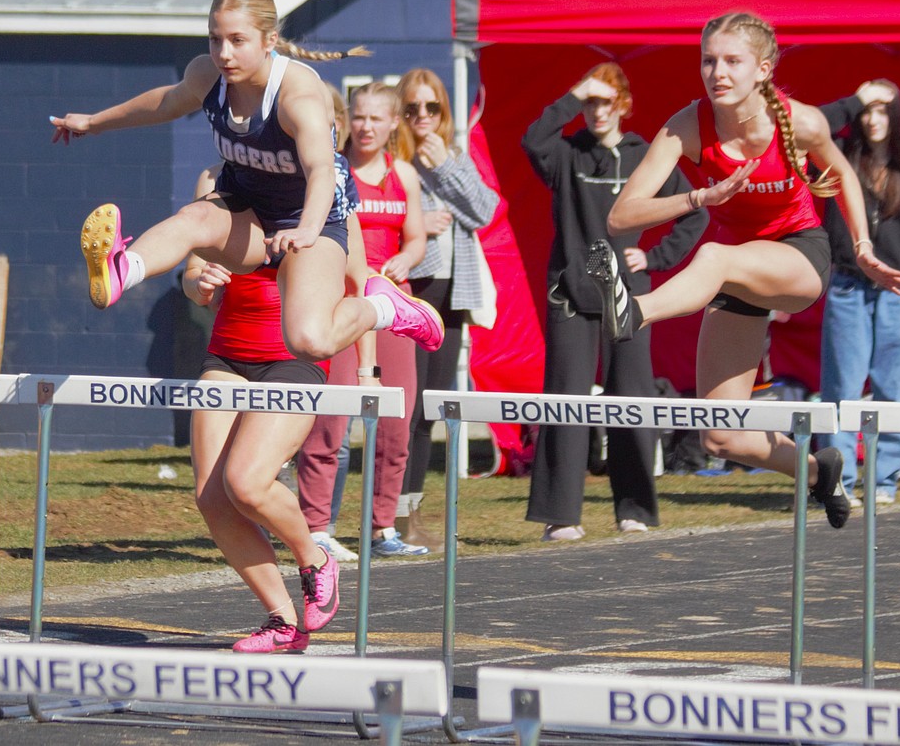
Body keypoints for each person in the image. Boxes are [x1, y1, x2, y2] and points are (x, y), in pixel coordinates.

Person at [588, 12, 900, 530]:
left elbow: (844, 174)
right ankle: (817, 472)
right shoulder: (688, 125)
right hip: (737, 270)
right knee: (722, 435)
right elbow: (622, 215)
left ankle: (634, 314)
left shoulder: (800, 121)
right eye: (708, 60)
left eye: (731, 62)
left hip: (799, 258)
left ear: (762, 69)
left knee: (715, 257)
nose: (717, 72)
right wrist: (698, 196)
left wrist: (865, 247)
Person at [50, 0, 444, 363]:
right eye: (214, 39)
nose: (224, 54)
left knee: (310, 341)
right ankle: (123, 269)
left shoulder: (298, 96)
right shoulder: (207, 76)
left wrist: (306, 229)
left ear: (269, 40)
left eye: (237, 41)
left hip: (312, 223)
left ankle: (383, 307)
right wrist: (94, 121)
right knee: (196, 216)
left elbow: (322, 168)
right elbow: (166, 102)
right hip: (249, 219)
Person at [182, 162, 377, 653]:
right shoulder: (215, 184)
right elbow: (189, 276)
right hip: (227, 352)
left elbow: (359, 281)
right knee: (212, 497)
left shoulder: (326, 194)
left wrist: (366, 369)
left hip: (292, 359)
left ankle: (313, 557)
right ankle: (282, 621)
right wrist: (199, 282)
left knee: (246, 483)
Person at [521, 63, 708, 542]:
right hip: (570, 294)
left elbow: (694, 211)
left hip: (629, 296)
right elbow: (533, 138)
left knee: (631, 398)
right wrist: (574, 92)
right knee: (566, 397)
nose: (597, 111)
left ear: (623, 104)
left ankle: (636, 508)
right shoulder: (567, 154)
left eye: (606, 101)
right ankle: (561, 514)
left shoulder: (644, 155)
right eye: (590, 102)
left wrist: (656, 256)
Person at [296, 82, 431, 558]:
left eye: (377, 118)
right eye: (359, 117)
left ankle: (382, 529)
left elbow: (415, 238)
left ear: (395, 123)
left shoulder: (405, 176)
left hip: (391, 305)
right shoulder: (329, 169)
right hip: (338, 301)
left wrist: (406, 260)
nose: (366, 127)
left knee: (396, 420)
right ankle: (315, 527)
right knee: (328, 420)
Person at [393, 68, 499, 550]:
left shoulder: (451, 156)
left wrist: (446, 169)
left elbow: (483, 211)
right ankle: (390, 516)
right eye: (412, 108)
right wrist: (421, 222)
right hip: (414, 287)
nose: (422, 117)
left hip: (454, 293)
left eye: (430, 108)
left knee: (430, 409)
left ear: (443, 112)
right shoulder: (394, 159)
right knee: (406, 408)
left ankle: (410, 513)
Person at [814, 81, 900, 505]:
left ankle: (883, 481)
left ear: (895, 116)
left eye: (882, 110)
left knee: (892, 388)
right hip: (847, 283)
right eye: (866, 110)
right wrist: (850, 101)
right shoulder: (838, 155)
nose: (872, 119)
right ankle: (839, 479)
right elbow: (810, 126)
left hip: (897, 288)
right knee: (841, 385)